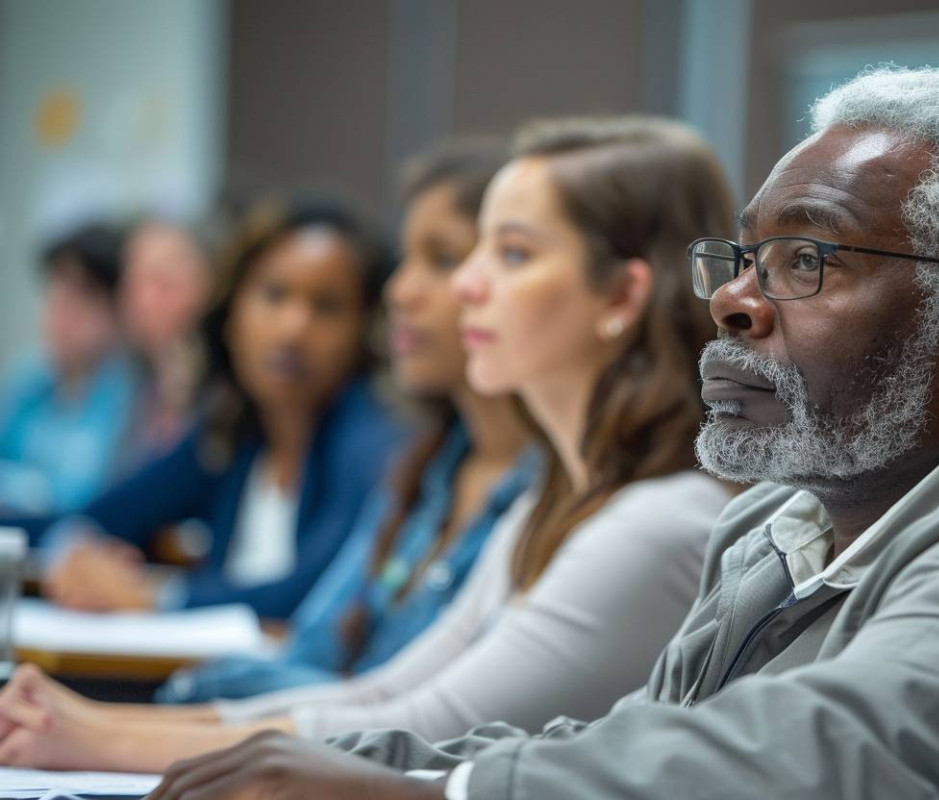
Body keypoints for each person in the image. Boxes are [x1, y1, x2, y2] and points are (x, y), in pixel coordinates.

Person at [82, 67, 939, 799]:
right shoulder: (777, 526)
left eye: (807, 260)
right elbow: (633, 742)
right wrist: (335, 772)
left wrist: (427, 794)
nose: (736, 299)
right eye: (743, 255)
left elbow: (812, 754)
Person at [0, 116, 735, 772]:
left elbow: (425, 726)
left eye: (507, 254)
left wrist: (101, 737)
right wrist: (91, 724)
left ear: (620, 297)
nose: (463, 286)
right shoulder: (548, 501)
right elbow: (386, 688)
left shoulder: (656, 521)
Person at [155, 141, 539, 703]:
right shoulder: (428, 463)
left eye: (442, 259)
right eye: (273, 295)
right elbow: (317, 648)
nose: (400, 292)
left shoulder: (381, 442)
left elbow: (420, 714)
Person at [0, 200, 404, 619]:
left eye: (327, 306)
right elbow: (108, 514)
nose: (293, 328)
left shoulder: (369, 440)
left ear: (365, 329)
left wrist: (158, 599)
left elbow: (319, 590)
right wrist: (80, 552)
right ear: (230, 315)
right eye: (274, 295)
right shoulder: (231, 434)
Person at [0, 223, 138, 515]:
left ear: (117, 310)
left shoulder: (130, 394)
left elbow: (86, 497)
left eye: (79, 300)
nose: (61, 314)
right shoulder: (28, 380)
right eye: (54, 295)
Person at [117, 219, 214, 463]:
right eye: (133, 283)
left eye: (162, 283)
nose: (142, 300)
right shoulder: (128, 380)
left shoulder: (224, 397)